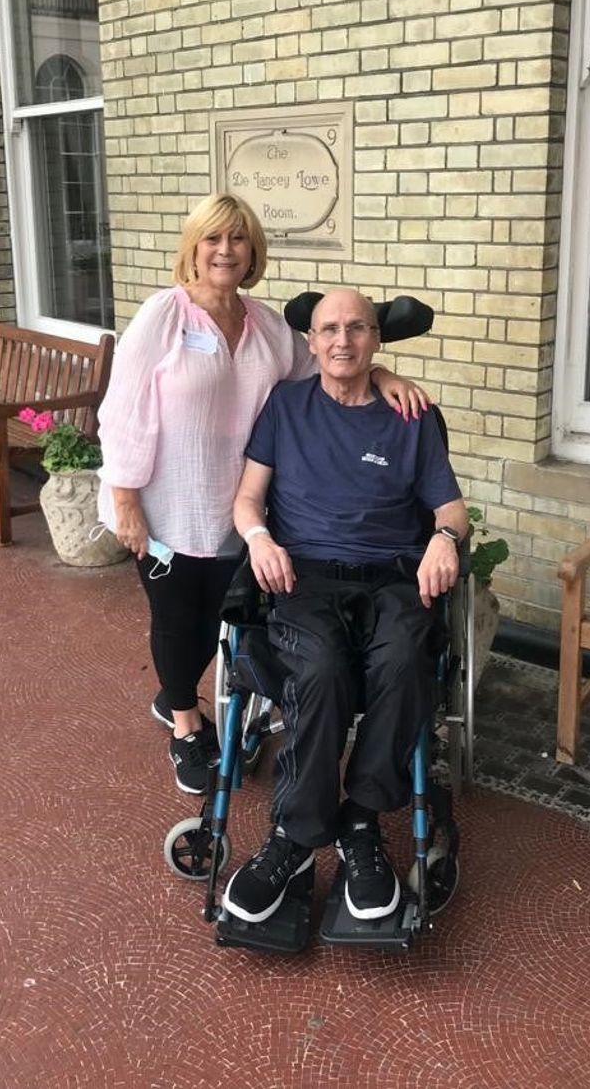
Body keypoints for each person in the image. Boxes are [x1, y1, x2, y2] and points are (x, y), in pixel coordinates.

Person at [96, 196, 428, 797]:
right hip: (165, 507)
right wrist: (125, 501)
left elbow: (328, 363)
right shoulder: (164, 316)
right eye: (213, 239)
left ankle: (177, 691)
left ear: (253, 252)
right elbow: (122, 410)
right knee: (178, 621)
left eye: (239, 240)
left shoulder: (267, 324)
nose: (226, 251)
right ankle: (186, 724)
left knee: (219, 622)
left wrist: (382, 375)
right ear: (193, 247)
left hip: (238, 509)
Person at [221, 288, 467, 925]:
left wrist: (444, 540)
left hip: (393, 579)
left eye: (357, 328)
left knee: (406, 659)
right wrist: (259, 538)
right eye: (329, 329)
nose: (342, 341)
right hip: (305, 577)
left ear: (376, 340)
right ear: (311, 342)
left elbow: (451, 508)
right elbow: (248, 499)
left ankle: (360, 818)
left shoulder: (410, 416)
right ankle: (297, 838)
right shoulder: (286, 405)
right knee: (321, 668)